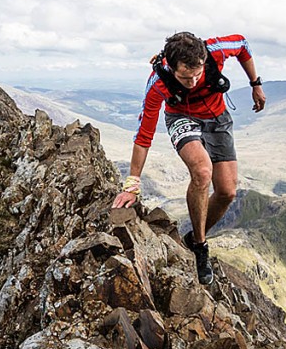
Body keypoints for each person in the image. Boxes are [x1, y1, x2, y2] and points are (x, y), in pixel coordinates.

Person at [112, 32, 267, 284]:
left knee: (227, 192)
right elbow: (143, 135)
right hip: (182, 118)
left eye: (197, 74)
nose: (193, 82)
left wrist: (255, 84)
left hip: (218, 118)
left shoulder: (215, 50)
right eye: (185, 77)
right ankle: (200, 247)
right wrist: (132, 184)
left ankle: (193, 237)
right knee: (202, 171)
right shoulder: (158, 82)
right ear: (171, 67)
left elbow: (243, 45)